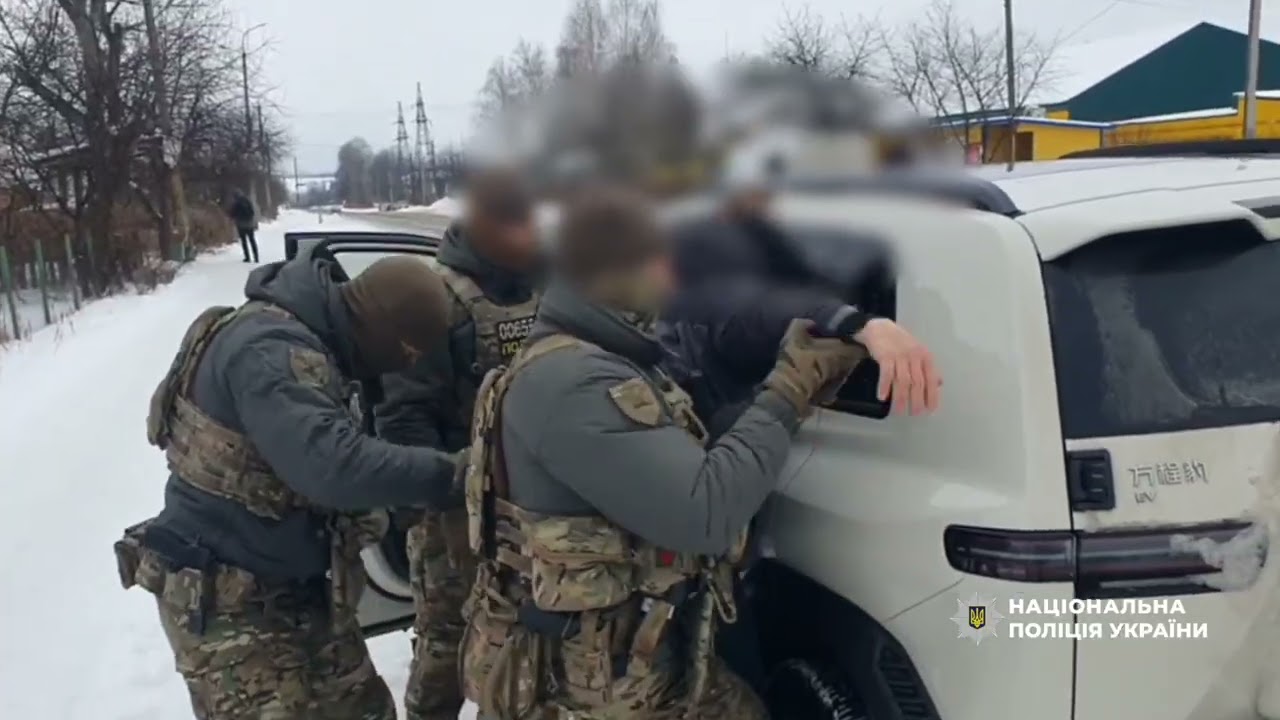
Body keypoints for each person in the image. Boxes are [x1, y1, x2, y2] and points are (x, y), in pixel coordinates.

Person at [457, 186, 867, 719]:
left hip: (622, 656)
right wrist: (789, 390)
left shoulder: (602, 351)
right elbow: (704, 512)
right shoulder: (572, 380)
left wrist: (839, 321)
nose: (673, 279)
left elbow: (721, 338)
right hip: (593, 690)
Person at [113, 244, 463, 719]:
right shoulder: (269, 348)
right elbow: (332, 466)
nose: (405, 369)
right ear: (388, 333)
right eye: (409, 355)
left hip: (294, 592)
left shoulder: (312, 341)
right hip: (231, 606)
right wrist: (453, 474)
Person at [658, 156, 943, 695]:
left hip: (734, 491)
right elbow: (745, 315)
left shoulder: (804, 244)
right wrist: (857, 324)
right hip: (699, 500)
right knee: (718, 660)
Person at [375, 168, 543, 720]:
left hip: (531, 504)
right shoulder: (436, 299)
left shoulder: (542, 286)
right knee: (448, 641)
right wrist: (446, 504)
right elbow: (403, 419)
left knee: (526, 637)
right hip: (453, 508)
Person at [229, 190, 259, 263]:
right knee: (252, 240)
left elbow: (233, 214)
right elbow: (252, 212)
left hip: (241, 225)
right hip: (249, 224)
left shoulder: (236, 203)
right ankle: (256, 257)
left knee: (244, 241)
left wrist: (232, 218)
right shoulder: (247, 201)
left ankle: (247, 257)